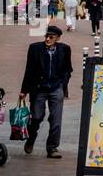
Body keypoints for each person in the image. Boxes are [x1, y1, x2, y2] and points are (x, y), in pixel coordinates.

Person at [19, 25, 73, 159]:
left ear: (58, 38)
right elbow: (29, 70)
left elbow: (68, 69)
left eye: (51, 37)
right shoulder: (35, 48)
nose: (47, 39)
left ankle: (52, 148)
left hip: (56, 88)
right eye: (46, 36)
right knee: (36, 117)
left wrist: (63, 83)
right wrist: (24, 91)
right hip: (39, 88)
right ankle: (31, 138)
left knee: (56, 120)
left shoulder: (65, 49)